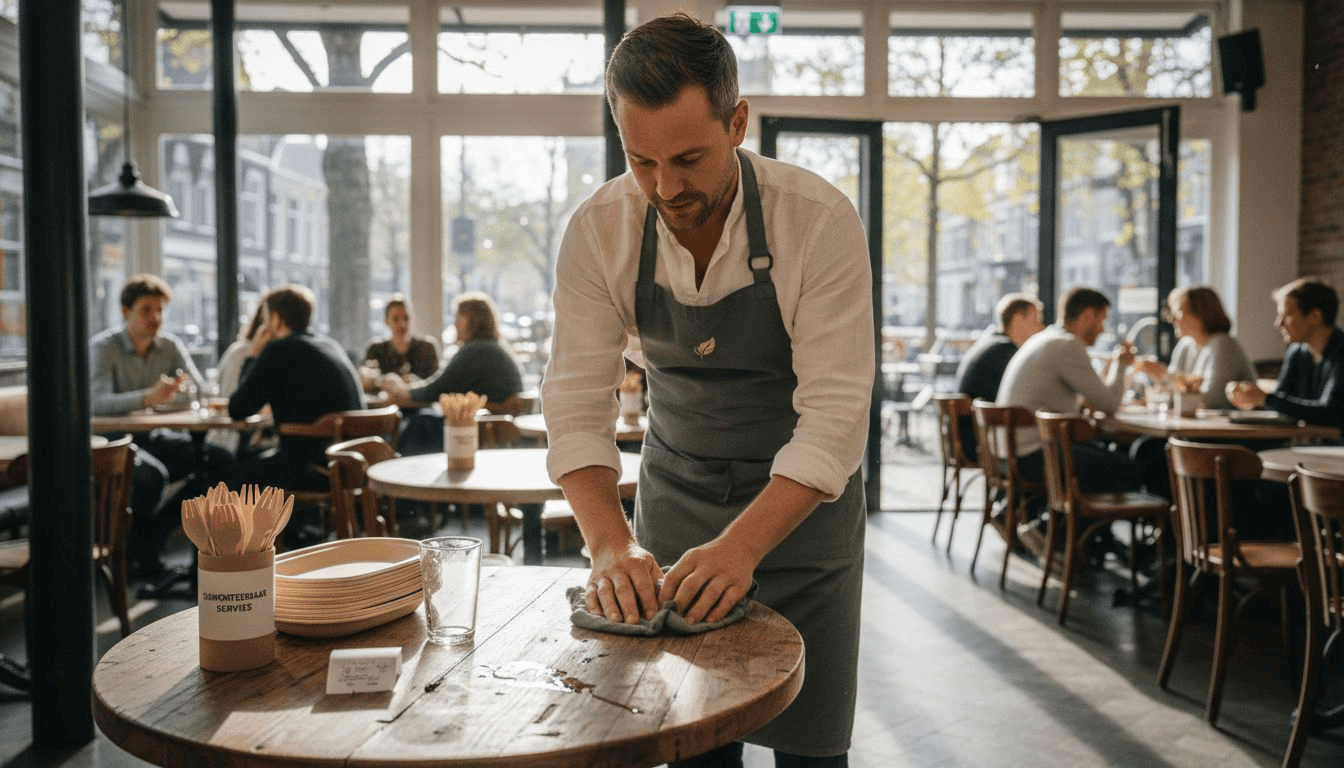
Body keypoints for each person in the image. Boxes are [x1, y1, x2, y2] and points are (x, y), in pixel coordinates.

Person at [542, 14, 873, 767]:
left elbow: (835, 418)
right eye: (641, 159)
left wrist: (743, 546)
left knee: (812, 752)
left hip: (801, 523)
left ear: (739, 122)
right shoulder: (599, 229)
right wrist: (610, 542)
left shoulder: (817, 221)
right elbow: (575, 401)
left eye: (689, 158)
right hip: (675, 507)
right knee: (689, 741)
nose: (665, 187)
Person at [90, 274, 233, 576]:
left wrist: (174, 395)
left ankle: (157, 528)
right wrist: (148, 397)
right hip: (111, 441)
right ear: (125, 311)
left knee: (218, 460)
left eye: (159, 310)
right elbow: (95, 403)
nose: (155, 317)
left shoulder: (169, 346)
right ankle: (142, 553)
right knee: (151, 477)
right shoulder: (104, 348)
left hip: (152, 436)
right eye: (146, 309)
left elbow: (197, 391)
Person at [214, 285, 365, 495]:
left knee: (223, 477)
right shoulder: (329, 346)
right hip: (352, 463)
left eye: (266, 319)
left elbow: (239, 408)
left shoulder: (279, 350)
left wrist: (253, 355)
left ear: (276, 320)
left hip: (312, 468)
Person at [996, 286, 1141, 493]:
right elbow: (1108, 405)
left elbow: (1090, 397)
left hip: (1008, 454)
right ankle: (1085, 523)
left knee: (1107, 457)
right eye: (1102, 320)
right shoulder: (1067, 345)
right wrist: (1121, 365)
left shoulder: (1045, 339)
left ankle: (1076, 522)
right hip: (1034, 455)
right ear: (1087, 316)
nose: (1102, 329)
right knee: (1130, 468)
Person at [381, 292, 525, 455]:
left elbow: (436, 390)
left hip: (483, 429)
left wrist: (400, 389)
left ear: (470, 321)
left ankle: (404, 474)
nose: (455, 324)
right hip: (495, 427)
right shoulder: (491, 348)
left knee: (419, 422)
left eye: (458, 317)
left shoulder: (475, 350)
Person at [1226, 277, 1344, 427]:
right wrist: (1252, 399)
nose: (1279, 323)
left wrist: (1265, 399)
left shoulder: (1341, 353)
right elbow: (1283, 402)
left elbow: (1331, 413)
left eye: (1287, 315)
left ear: (1315, 316)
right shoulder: (1297, 353)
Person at [1133, 284, 1254, 411]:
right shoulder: (1185, 345)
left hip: (1227, 428)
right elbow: (1169, 397)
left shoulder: (1223, 345)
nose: (1171, 318)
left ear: (1200, 314)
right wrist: (1159, 376)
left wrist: (1164, 375)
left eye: (1178, 311)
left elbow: (1211, 400)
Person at [953, 293, 1044, 459]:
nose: (1041, 327)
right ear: (1018, 319)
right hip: (980, 443)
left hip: (965, 439)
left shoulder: (990, 344)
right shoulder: (1005, 353)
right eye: (1036, 320)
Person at [361, 294, 440, 391]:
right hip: (383, 404)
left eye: (406, 318)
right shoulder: (375, 349)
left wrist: (417, 383)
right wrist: (383, 382)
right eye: (395, 319)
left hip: (417, 404)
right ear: (386, 322)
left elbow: (437, 386)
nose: (402, 324)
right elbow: (365, 381)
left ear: (412, 319)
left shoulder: (427, 348)